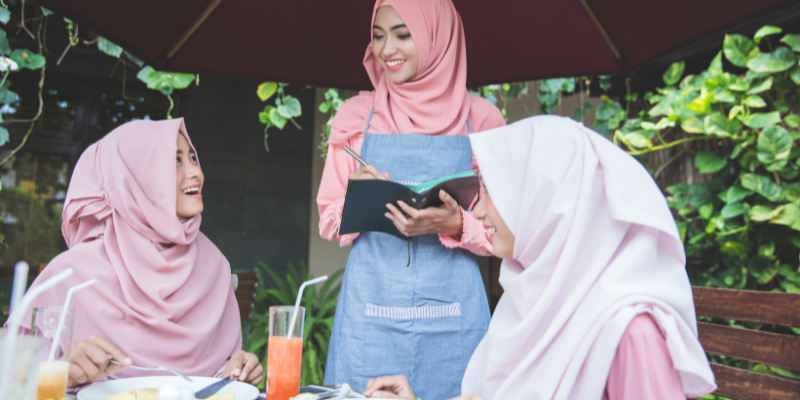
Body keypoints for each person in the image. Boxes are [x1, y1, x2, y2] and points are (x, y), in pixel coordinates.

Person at [363, 116, 718, 400]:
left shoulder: (630, 334)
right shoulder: (534, 300)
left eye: (489, 189)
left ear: (545, 201)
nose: (479, 210)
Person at [316, 0, 506, 398]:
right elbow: (328, 221)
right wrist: (357, 196)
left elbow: (507, 233)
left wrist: (455, 224)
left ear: (438, 39)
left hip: (454, 321)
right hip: (368, 320)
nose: (387, 50)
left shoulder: (483, 122)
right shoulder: (356, 116)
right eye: (378, 36)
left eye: (403, 35)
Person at [14, 119, 263, 388]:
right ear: (134, 178)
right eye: (175, 161)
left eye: (192, 158)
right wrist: (63, 371)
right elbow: (13, 381)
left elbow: (219, 372)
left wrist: (236, 371)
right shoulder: (70, 275)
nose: (196, 173)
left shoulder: (215, 266)